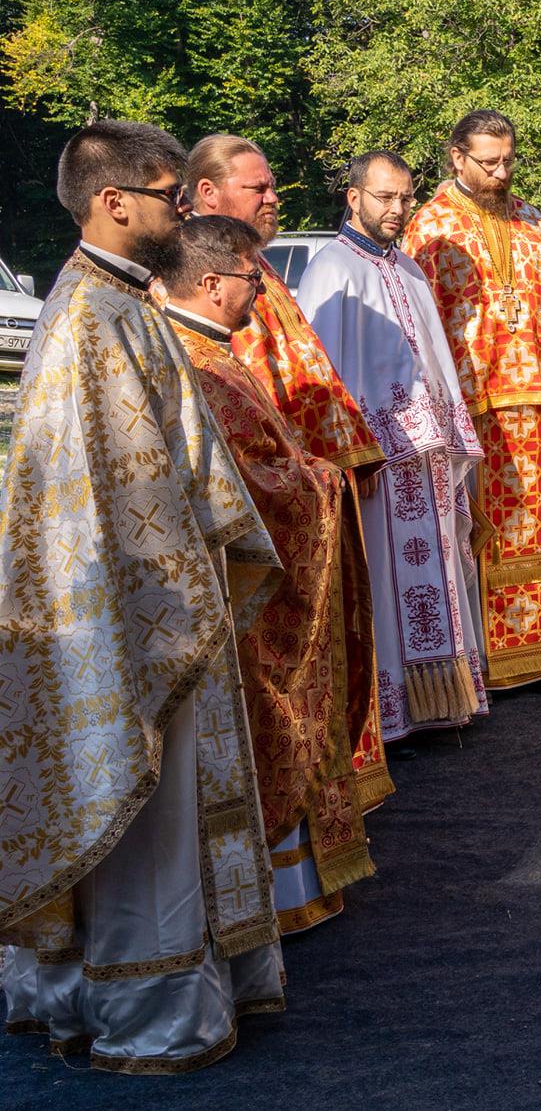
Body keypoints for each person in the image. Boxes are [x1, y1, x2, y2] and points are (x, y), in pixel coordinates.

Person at [0, 122, 284, 1071]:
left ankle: (152, 995)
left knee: (167, 807)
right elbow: (104, 492)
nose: (182, 209)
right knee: (140, 814)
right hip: (126, 617)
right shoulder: (87, 318)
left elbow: (170, 456)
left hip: (160, 598)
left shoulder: (122, 304)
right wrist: (183, 584)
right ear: (115, 202)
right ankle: (145, 1015)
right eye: (169, 194)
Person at [160, 216, 374, 934]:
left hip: (247, 583)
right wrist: (319, 480)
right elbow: (244, 483)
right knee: (267, 727)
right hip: (244, 593)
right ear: (215, 283)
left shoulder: (210, 351)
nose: (261, 292)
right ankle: (276, 896)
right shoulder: (199, 362)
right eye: (255, 279)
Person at [189, 134, 389, 800]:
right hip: (269, 503)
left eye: (273, 186)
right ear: (208, 195)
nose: (275, 198)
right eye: (259, 188)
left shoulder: (262, 270)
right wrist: (313, 477)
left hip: (303, 491)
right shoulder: (204, 278)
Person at [403, 110, 541, 693]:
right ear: (457, 157)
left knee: (535, 534)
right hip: (473, 412)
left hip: (536, 405)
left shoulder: (531, 222)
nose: (499, 172)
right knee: (479, 536)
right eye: (487, 162)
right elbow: (424, 326)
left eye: (507, 161)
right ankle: (484, 664)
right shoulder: (432, 228)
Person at [300, 152, 490, 744]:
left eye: (405, 197)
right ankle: (390, 720)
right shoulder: (332, 271)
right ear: (354, 198)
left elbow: (435, 363)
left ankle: (443, 702)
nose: (397, 208)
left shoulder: (407, 268)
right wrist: (356, 453)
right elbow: (324, 377)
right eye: (384, 197)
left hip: (427, 459)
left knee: (437, 578)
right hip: (379, 463)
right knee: (384, 584)